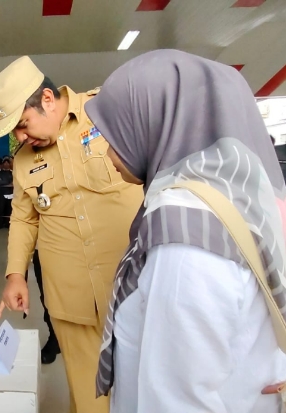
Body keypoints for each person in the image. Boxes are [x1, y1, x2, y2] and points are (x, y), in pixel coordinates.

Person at [83, 50, 286, 412]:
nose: (108, 154)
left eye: (115, 132)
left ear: (157, 123)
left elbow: (177, 399)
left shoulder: (185, 234)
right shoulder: (251, 200)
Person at [0, 56, 143, 413]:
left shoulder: (111, 109)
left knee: (146, 382)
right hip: (70, 291)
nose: (20, 138)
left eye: (23, 125)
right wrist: (14, 275)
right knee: (89, 393)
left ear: (49, 101)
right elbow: (24, 219)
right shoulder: (25, 160)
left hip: (134, 282)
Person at [0, 158, 14, 228]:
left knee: (9, 209)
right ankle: (0, 224)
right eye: (4, 163)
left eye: (7, 163)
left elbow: (14, 183)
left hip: (11, 193)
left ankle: (8, 223)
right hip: (2, 193)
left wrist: (8, 184)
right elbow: (0, 183)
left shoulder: (12, 173)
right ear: (2, 164)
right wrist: (9, 184)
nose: (6, 164)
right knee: (0, 209)